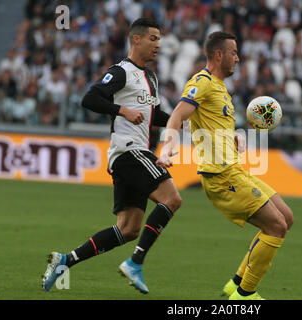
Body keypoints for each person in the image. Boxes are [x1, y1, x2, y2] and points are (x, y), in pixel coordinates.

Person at [42, 18, 182, 294]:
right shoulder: (122, 72)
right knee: (172, 199)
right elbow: (90, 98)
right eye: (153, 38)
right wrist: (122, 110)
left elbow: (154, 116)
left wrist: (181, 119)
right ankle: (135, 264)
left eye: (159, 39)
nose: (158, 44)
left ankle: (65, 261)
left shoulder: (150, 77)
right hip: (129, 150)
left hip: (133, 154)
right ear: (136, 39)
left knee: (128, 229)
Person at [156, 31, 294, 300]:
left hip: (234, 170)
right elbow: (177, 115)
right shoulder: (202, 82)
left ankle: (236, 283)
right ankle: (244, 294)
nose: (238, 58)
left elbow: (206, 122)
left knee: (286, 218)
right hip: (220, 176)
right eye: (233, 53)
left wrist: (232, 136)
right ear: (219, 54)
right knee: (275, 226)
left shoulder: (220, 88)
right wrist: (167, 150)